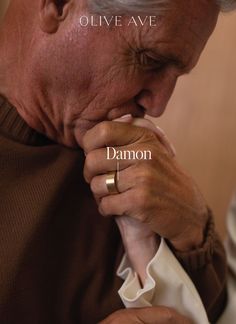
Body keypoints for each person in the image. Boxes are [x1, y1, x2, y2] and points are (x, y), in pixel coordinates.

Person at [0, 0, 231, 323]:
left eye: (177, 75)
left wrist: (192, 234)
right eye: (148, 59)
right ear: (58, 5)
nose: (158, 105)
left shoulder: (141, 174)